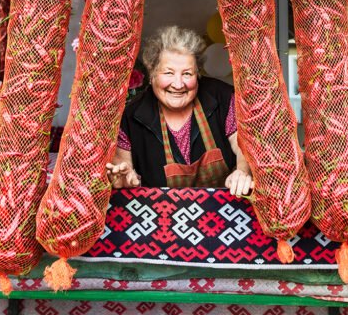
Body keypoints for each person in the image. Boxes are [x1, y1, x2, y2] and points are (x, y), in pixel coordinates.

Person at [106, 26, 253, 196]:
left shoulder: (223, 98)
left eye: (187, 74)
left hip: (223, 214)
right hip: (158, 216)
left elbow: (243, 145)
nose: (178, 84)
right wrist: (126, 180)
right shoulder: (130, 117)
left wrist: (243, 171)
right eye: (168, 73)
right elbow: (124, 168)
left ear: (198, 74)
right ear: (152, 73)